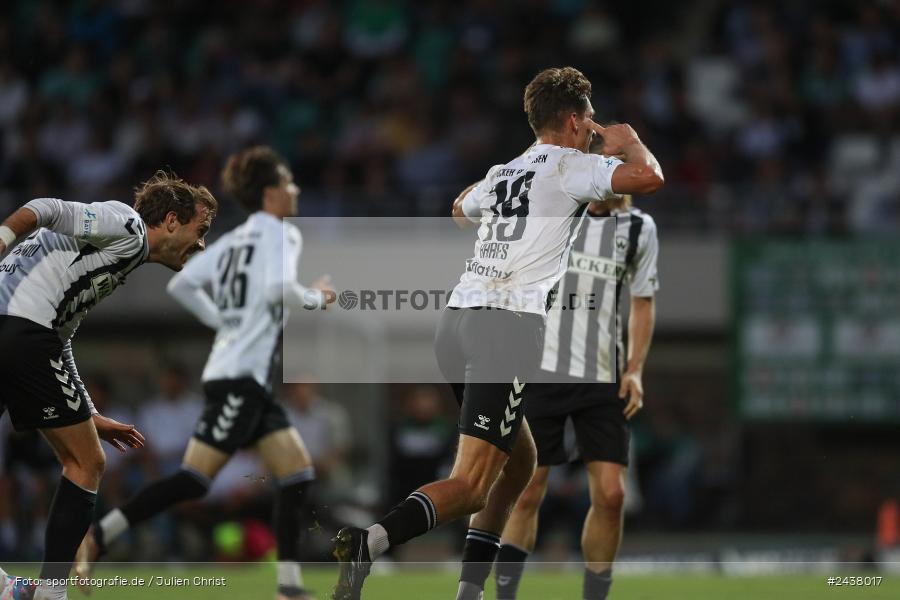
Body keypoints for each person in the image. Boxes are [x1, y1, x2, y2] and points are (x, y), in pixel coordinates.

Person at [331, 66, 664, 600]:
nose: (597, 126)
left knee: (521, 463)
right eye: (592, 118)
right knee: (469, 484)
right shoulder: (575, 167)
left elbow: (458, 209)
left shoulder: (504, 171)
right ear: (576, 120)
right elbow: (649, 179)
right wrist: (631, 143)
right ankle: (370, 540)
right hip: (505, 328)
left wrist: (499, 183)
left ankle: (471, 591)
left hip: (457, 321)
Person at [74, 146, 335, 600]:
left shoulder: (234, 241)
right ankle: (99, 533)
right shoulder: (280, 235)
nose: (295, 190)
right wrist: (314, 297)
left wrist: (223, 322)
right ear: (271, 194)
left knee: (298, 476)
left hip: (243, 377)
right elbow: (277, 287)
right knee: (194, 481)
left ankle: (289, 587)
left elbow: (184, 283)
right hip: (240, 377)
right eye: (289, 183)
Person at [0, 171, 217, 600]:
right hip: (22, 331)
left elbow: (62, 339)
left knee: (85, 455)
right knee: (87, 463)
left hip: (18, 332)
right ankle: (51, 591)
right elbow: (47, 209)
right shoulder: (128, 225)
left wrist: (90, 414)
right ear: (171, 220)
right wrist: (4, 235)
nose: (202, 244)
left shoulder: (118, 258)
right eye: (201, 230)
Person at [488, 188, 659, 600]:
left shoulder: (639, 228)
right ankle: (504, 594)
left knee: (612, 495)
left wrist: (635, 369)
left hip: (603, 376)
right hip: (541, 371)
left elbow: (642, 301)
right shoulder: (556, 215)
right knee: (527, 490)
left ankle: (594, 597)